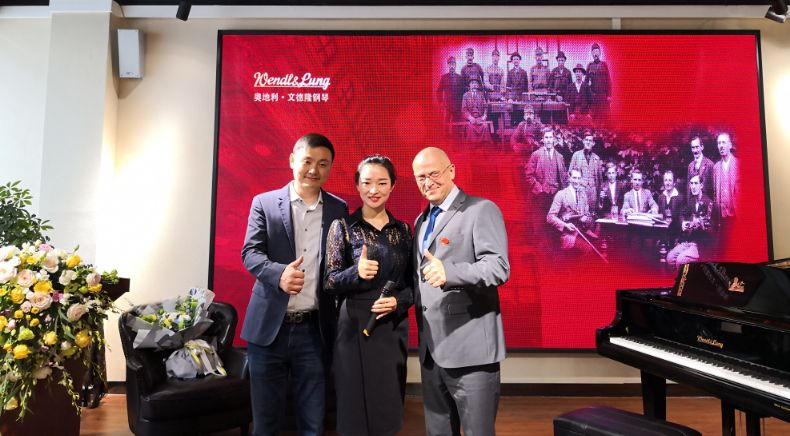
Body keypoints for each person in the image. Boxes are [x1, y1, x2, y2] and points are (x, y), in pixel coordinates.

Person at [241, 133, 349, 436]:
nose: (314, 170)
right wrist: (279, 275)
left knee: (313, 424)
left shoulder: (338, 209)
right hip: (268, 330)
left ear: (330, 168)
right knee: (266, 424)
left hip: (314, 332)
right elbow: (250, 253)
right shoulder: (264, 203)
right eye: (307, 161)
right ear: (292, 160)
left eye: (323, 164)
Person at [411, 147, 510, 436]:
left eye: (434, 174)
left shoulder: (481, 209)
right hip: (432, 351)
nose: (427, 182)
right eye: (420, 177)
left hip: (472, 351)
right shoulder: (421, 221)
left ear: (451, 170)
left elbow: (498, 267)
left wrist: (450, 272)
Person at [324, 155, 413, 436]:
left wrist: (398, 302)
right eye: (367, 183)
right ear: (358, 186)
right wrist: (356, 272)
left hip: (391, 322)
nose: (374, 190)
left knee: (388, 399)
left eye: (382, 183)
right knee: (353, 401)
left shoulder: (404, 230)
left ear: (393, 186)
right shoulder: (342, 227)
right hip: (353, 322)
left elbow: (413, 285)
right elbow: (329, 281)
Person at [667, 175, 714, 268]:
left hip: (700, 244)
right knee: (670, 258)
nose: (693, 186)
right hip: (688, 241)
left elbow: (712, 230)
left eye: (696, 183)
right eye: (691, 183)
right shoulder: (691, 201)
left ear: (701, 185)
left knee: (681, 260)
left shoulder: (708, 203)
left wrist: (701, 225)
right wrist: (683, 223)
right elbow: (681, 214)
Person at [547, 169, 594, 251]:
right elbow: (550, 217)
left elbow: (587, 214)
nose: (577, 181)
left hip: (582, 232)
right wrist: (565, 225)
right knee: (588, 249)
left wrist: (586, 219)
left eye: (579, 178)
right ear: (569, 178)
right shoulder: (561, 194)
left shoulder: (583, 194)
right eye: (574, 178)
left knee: (598, 245)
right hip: (568, 234)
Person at [568, 132, 604, 213]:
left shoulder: (596, 158)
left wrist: (598, 196)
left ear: (593, 143)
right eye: (586, 140)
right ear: (583, 141)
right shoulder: (576, 155)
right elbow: (569, 174)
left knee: (591, 214)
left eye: (590, 141)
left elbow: (600, 180)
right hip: (580, 190)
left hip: (593, 192)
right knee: (579, 212)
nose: (588, 142)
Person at [713, 132, 739, 231]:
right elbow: (715, 193)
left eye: (724, 142)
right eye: (719, 143)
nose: (721, 146)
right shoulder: (716, 167)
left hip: (737, 215)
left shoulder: (738, 165)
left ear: (730, 145)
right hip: (722, 218)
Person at [586, 43, 611, 124]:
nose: (595, 54)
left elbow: (608, 80)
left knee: (605, 117)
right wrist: (588, 95)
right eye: (593, 52)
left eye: (597, 51)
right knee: (594, 117)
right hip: (594, 96)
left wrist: (609, 95)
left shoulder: (604, 65)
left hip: (603, 95)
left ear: (600, 53)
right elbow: (586, 82)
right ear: (591, 54)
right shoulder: (590, 66)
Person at [437, 56, 465, 123]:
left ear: (455, 65)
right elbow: (439, 91)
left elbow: (463, 92)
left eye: (453, 64)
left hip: (458, 106)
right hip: (447, 106)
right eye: (450, 64)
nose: (452, 66)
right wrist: (441, 102)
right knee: (446, 124)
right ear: (448, 65)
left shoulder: (460, 78)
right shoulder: (444, 77)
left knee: (457, 125)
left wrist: (462, 104)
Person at [461, 78, 491, 143]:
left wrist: (484, 115)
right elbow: (464, 109)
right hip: (470, 119)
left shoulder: (481, 94)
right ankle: (472, 145)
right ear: (469, 85)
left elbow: (486, 106)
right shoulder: (465, 95)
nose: (474, 85)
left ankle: (484, 144)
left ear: (478, 85)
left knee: (485, 126)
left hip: (480, 118)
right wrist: (470, 117)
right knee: (470, 127)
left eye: (476, 83)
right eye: (472, 83)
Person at [506, 52, 528, 126]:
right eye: (514, 59)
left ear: (519, 60)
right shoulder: (510, 73)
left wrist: (525, 98)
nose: (516, 61)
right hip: (513, 98)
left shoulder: (524, 72)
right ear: (512, 61)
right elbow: (508, 86)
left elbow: (526, 87)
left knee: (521, 118)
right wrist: (509, 98)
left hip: (522, 98)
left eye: (517, 59)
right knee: (514, 118)